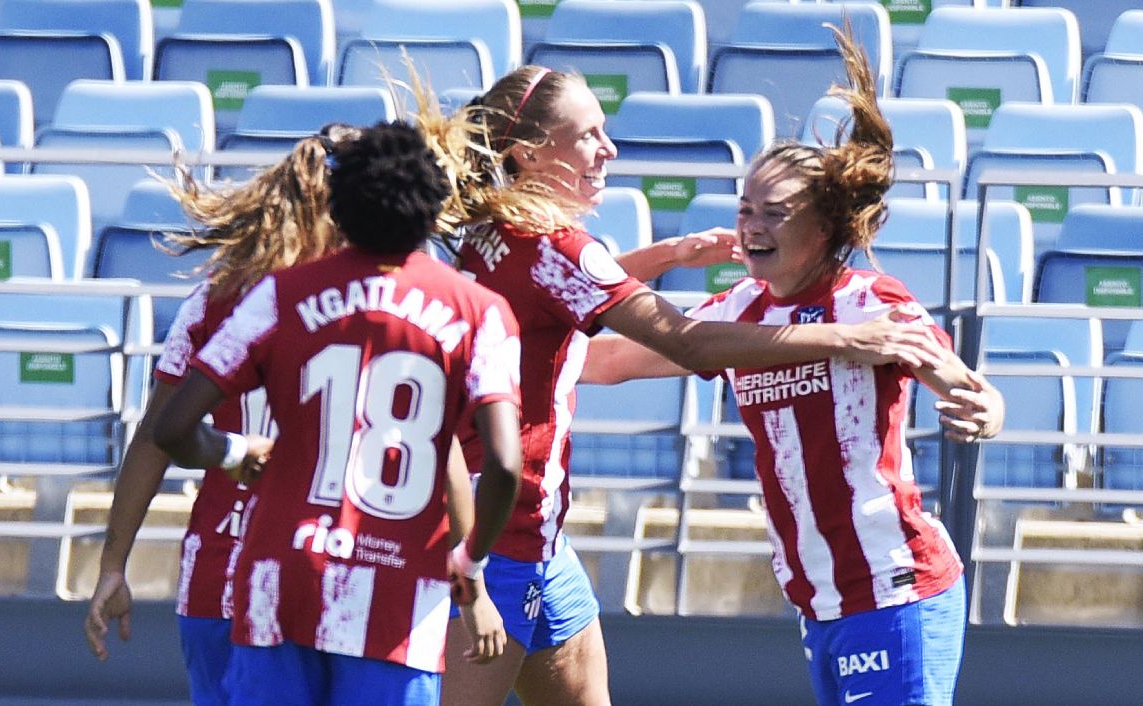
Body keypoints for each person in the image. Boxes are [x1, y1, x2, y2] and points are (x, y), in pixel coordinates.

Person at [405, 58, 964, 706]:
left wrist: (668, 256)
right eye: (588, 134)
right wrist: (848, 341)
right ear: (529, 155)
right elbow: (687, 344)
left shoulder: (483, 232)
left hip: (531, 536)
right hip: (496, 530)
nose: (607, 149)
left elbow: (560, 294)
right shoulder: (560, 246)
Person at [579, 26, 1006, 706]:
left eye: (775, 214)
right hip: (819, 602)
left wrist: (982, 409)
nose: (752, 227)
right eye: (746, 209)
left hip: (896, 590)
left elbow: (961, 383)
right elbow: (605, 363)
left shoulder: (872, 301)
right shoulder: (738, 308)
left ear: (825, 228)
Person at [152, 121, 523, 706]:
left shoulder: (279, 295)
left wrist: (233, 451)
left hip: (280, 577)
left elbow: (170, 427)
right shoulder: (482, 311)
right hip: (400, 590)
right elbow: (503, 464)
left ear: (342, 209)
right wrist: (472, 565)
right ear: (432, 211)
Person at [83, 123, 361, 705]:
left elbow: (156, 437)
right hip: (337, 577)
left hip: (225, 573)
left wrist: (113, 563)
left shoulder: (217, 295)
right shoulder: (388, 303)